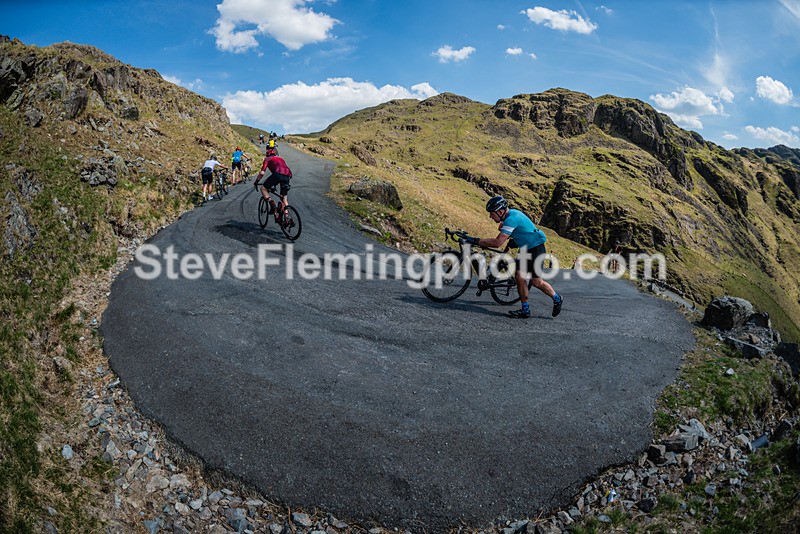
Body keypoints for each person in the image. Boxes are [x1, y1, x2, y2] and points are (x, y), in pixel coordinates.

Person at [462, 196, 563, 318]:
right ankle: (525, 310)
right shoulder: (509, 216)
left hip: (536, 248)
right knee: (519, 277)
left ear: (500, 211)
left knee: (536, 282)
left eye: (492, 214)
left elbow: (497, 242)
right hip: (525, 247)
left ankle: (557, 298)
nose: (490, 216)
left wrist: (475, 241)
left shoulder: (512, 219)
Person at [254, 148, 292, 219]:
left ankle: (272, 205)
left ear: (267, 154)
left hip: (277, 174)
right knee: (284, 198)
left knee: (263, 188)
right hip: (287, 175)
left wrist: (256, 181)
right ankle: (287, 218)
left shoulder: (267, 159)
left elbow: (262, 173)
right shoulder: (281, 159)